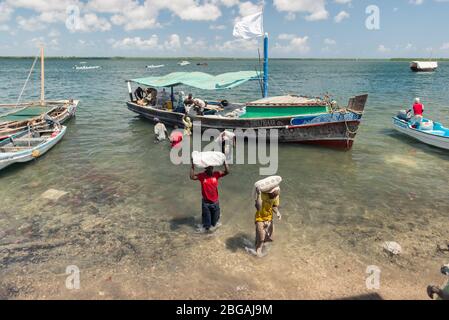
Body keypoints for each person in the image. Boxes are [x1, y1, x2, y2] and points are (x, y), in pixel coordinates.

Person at [190, 160, 230, 232]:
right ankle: (206, 238)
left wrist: (225, 163)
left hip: (215, 203)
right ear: (206, 168)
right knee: (207, 226)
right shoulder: (202, 176)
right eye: (209, 167)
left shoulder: (216, 174)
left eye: (212, 167)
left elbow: (227, 172)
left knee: (214, 223)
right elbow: (192, 177)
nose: (211, 168)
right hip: (206, 204)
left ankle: (213, 236)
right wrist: (192, 166)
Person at [253, 186, 281, 257]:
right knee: (261, 239)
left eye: (276, 195)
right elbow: (258, 207)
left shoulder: (276, 196)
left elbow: (274, 206)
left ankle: (257, 242)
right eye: (274, 195)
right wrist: (258, 194)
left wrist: (277, 212)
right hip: (260, 218)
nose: (275, 196)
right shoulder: (262, 194)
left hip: (269, 218)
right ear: (270, 192)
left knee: (270, 238)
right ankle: (258, 255)